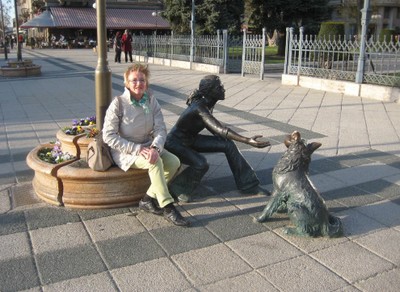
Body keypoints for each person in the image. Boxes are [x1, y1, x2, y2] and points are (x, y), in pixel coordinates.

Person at [103, 63, 190, 227]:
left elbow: (160, 129)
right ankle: (168, 207)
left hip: (148, 145)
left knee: (173, 162)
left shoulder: (151, 100)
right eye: (133, 80)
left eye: (142, 80)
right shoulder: (118, 103)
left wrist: (155, 148)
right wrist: (138, 149)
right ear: (126, 83)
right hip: (126, 151)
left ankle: (147, 200)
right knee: (154, 162)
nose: (138, 83)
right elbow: (108, 136)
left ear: (147, 82)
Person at [165, 75, 271, 202]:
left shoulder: (208, 103)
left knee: (228, 144)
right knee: (201, 163)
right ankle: (177, 188)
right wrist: (246, 140)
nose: (223, 89)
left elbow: (214, 129)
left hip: (190, 139)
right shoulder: (199, 108)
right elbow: (220, 129)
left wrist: (220, 139)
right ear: (210, 91)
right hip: (175, 143)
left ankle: (249, 185)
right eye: (219, 87)